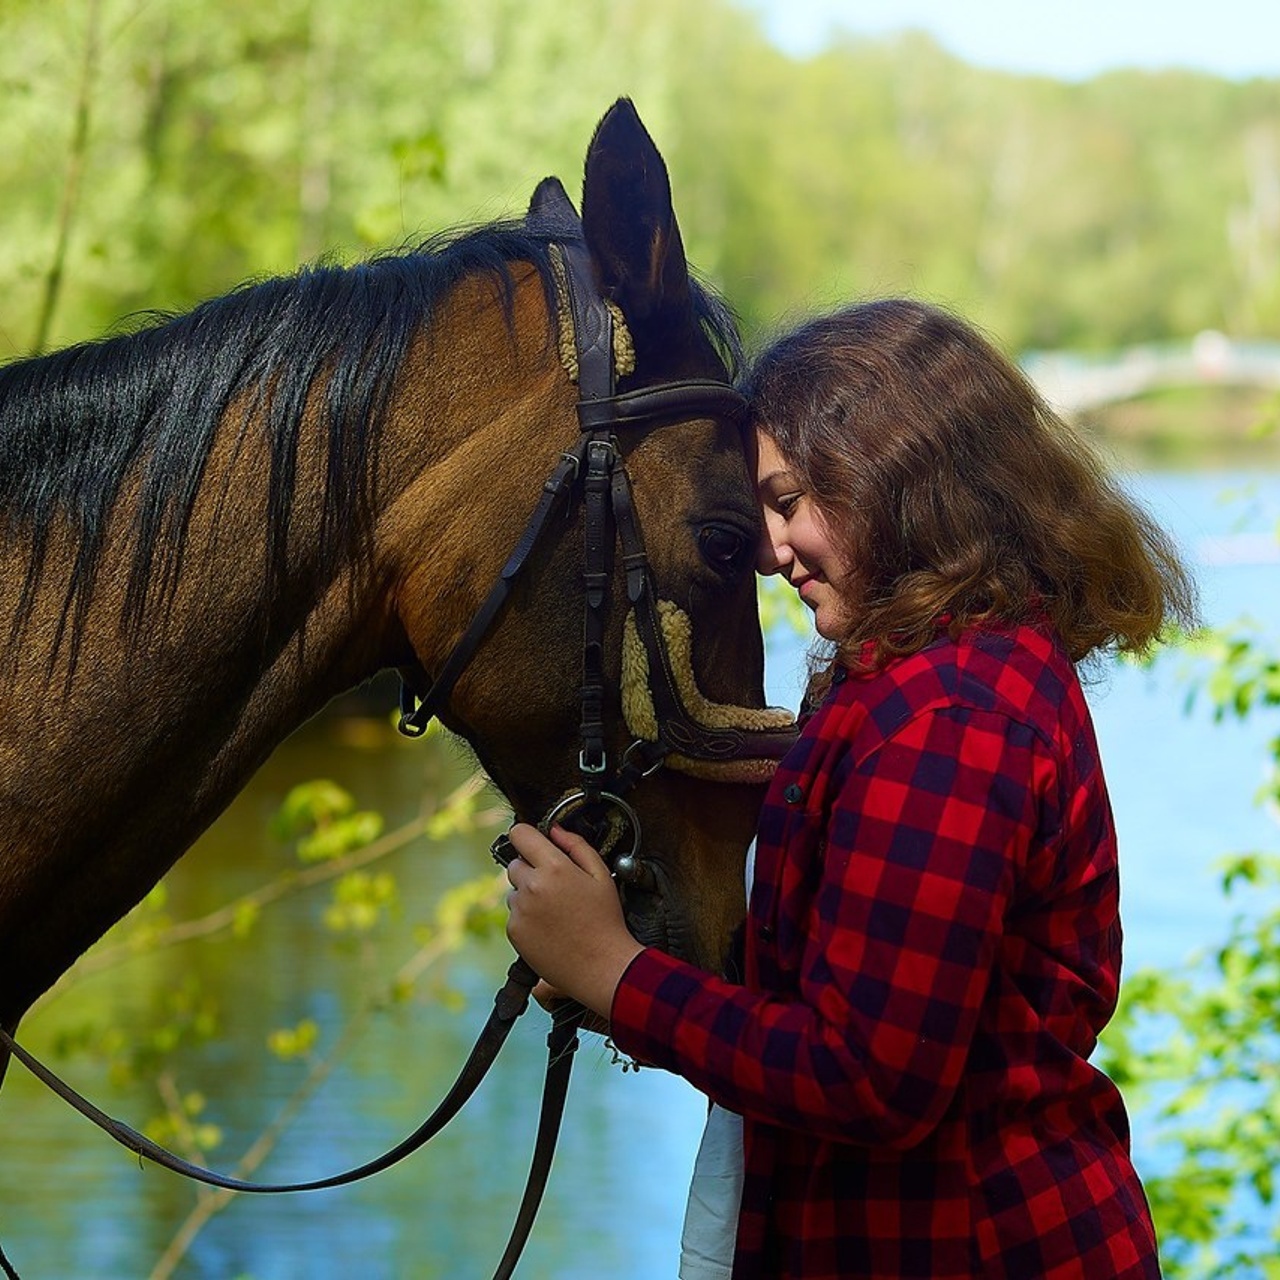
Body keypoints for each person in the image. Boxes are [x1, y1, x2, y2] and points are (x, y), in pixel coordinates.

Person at [504, 298, 1196, 1279]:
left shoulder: (947, 717)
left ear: (899, 478)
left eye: (787, 501)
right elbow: (835, 1001)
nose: (767, 550)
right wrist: (618, 990)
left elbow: (871, 1078)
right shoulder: (907, 682)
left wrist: (615, 969)